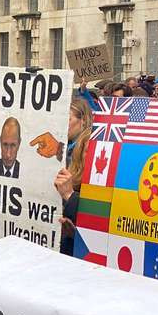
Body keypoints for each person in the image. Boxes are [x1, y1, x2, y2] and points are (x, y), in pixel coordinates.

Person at [54, 99, 93, 255]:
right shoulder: (64, 155)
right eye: (86, 150)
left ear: (82, 121)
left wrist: (70, 196)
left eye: (67, 119)